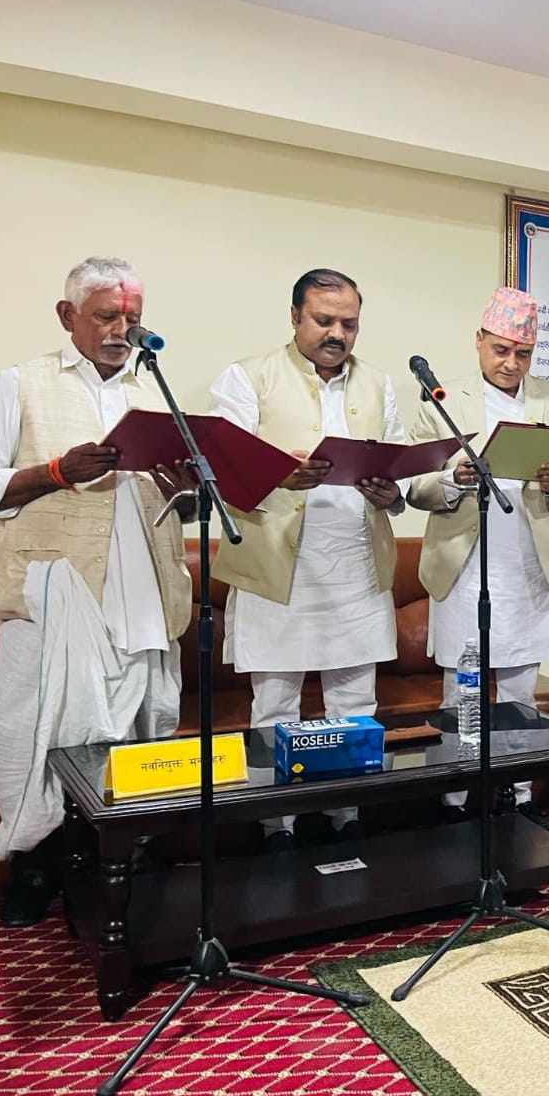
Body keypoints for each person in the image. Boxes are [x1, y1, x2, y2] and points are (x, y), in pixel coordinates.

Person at [0, 257, 192, 926]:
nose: (122, 329)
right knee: (37, 726)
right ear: (68, 317)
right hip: (56, 587)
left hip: (143, 584)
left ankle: (118, 861)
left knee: (136, 725)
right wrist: (57, 472)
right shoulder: (20, 383)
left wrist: (181, 487)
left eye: (133, 317)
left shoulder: (155, 393)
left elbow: (176, 501)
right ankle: (35, 866)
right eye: (107, 316)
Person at [209, 269, 406, 851]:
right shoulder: (247, 378)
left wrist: (390, 491)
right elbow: (218, 473)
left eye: (349, 324)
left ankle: (349, 815)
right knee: (276, 703)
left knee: (355, 702)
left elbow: (398, 468)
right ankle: (277, 828)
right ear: (295, 317)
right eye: (324, 320)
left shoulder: (379, 384)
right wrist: (279, 475)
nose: (337, 334)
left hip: (357, 569)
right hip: (277, 570)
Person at [409, 286, 549, 827]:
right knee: (462, 688)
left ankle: (518, 796)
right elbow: (414, 485)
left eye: (523, 353)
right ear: (479, 341)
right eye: (500, 350)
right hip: (464, 566)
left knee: (520, 692)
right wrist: (453, 478)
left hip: (529, 566)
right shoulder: (443, 400)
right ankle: (454, 799)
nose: (511, 363)